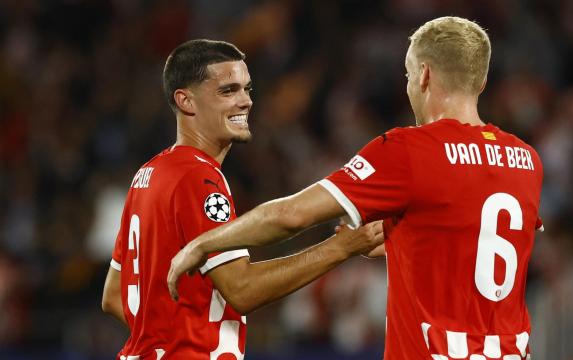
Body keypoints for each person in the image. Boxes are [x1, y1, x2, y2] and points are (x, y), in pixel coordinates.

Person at [168, 17, 545, 359]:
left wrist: (202, 243)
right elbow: (477, 232)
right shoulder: (526, 159)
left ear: (425, 75)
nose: (410, 85)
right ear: (480, 81)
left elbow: (290, 216)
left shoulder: (410, 150)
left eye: (409, 75)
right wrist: (407, 237)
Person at [101, 39, 384, 360]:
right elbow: (242, 290)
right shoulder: (198, 177)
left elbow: (113, 295)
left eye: (247, 90)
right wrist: (342, 248)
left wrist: (166, 336)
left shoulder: (149, 173)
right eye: (227, 91)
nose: (245, 101)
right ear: (186, 101)